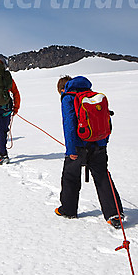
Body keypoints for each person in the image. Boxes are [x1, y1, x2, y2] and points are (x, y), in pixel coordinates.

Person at [55, 75, 124, 228]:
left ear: (62, 89)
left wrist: (71, 149)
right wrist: (103, 143)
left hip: (79, 146)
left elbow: (69, 126)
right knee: (102, 177)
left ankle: (68, 209)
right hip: (99, 144)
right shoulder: (94, 97)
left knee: (70, 177)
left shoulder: (68, 98)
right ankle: (114, 213)